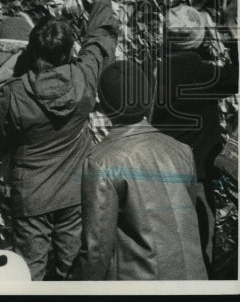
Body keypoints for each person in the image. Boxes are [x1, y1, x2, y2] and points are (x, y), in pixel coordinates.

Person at [0, 0, 121, 280]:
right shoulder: (84, 77)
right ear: (68, 52)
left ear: (32, 51)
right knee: (71, 269)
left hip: (30, 197)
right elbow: (100, 40)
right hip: (75, 193)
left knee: (28, 274)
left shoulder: (13, 95)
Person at [78, 61, 207, 280]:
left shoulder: (102, 162)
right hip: (194, 278)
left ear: (105, 106)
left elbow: (96, 250)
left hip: (143, 282)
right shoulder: (182, 151)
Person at [149, 2, 238, 271]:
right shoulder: (202, 74)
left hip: (161, 174)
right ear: (198, 37)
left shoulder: (151, 71)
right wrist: (231, 36)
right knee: (201, 244)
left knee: (165, 246)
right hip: (197, 174)